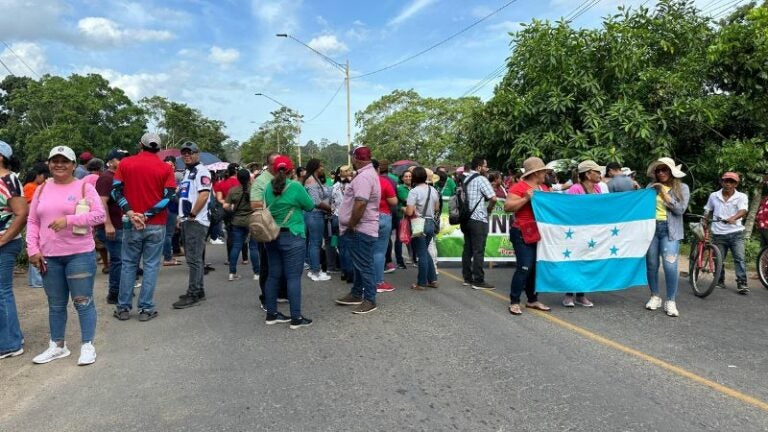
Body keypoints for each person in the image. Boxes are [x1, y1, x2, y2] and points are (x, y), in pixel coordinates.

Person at [27, 145, 106, 365]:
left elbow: (99, 215)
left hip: (79, 254)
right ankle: (57, 345)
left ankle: (87, 345)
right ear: (49, 164)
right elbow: (33, 221)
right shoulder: (42, 189)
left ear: (73, 165)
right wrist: (32, 249)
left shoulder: (84, 187)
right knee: (56, 304)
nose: (59, 165)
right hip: (49, 256)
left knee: (82, 301)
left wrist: (69, 220)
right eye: (55, 161)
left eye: (65, 161)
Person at [112, 133, 176, 321]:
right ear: (159, 148)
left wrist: (131, 212)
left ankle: (123, 307)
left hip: (131, 223)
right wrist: (146, 215)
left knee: (128, 265)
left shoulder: (125, 164)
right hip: (155, 224)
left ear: (140, 144)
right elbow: (169, 196)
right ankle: (146, 308)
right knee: (151, 266)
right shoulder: (165, 168)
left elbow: (116, 191)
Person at [263, 155, 314, 329]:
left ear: (274, 170)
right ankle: (296, 318)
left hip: (272, 236)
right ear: (292, 170)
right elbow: (310, 205)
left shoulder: (268, 188)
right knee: (293, 277)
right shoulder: (296, 187)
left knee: (273, 275)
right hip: (292, 235)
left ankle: (271, 314)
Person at [335, 146, 381, 314]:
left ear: (357, 159)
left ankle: (370, 299)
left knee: (364, 264)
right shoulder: (367, 175)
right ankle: (356, 294)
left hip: (360, 228)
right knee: (360, 264)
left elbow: (361, 203)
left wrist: (352, 224)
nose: (352, 161)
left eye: (353, 158)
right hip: (361, 227)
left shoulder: (364, 177)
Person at [504, 157, 552, 315]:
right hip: (522, 231)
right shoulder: (519, 187)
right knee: (524, 267)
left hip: (540, 233)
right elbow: (508, 207)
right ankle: (514, 301)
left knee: (535, 268)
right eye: (544, 171)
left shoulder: (544, 188)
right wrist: (526, 198)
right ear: (536, 173)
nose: (546, 173)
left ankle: (532, 300)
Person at [644, 157, 690, 317]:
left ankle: (670, 300)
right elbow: (641, 207)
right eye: (658, 170)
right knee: (651, 264)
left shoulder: (682, 188)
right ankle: (654, 296)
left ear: (671, 172)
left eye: (665, 170)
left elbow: (680, 210)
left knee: (670, 266)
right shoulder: (650, 187)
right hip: (651, 230)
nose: (661, 172)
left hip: (670, 232)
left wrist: (664, 193)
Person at [173, 142, 212, 309]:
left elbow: (203, 196)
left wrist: (192, 215)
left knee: (194, 259)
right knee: (192, 258)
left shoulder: (202, 171)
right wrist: (181, 218)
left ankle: (194, 292)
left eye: (190, 152)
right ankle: (199, 289)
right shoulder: (188, 172)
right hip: (188, 220)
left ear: (198, 153)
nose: (187, 155)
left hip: (196, 221)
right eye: (184, 153)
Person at [0, 140, 28, 359]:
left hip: (6, 243)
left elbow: (21, 213)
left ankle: (10, 343)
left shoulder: (9, 180)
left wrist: (4, 239)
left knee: (2, 292)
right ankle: (11, 336)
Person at [561, 160, 602, 308]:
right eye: (596, 172)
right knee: (574, 262)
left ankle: (581, 295)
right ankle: (568, 294)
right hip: (577, 232)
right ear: (587, 174)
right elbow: (571, 210)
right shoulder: (575, 189)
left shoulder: (598, 189)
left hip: (592, 232)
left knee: (587, 261)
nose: (599, 174)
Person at [251, 153, 288, 307]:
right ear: (269, 165)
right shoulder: (261, 181)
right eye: (276, 164)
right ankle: (266, 297)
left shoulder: (286, 178)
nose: (280, 166)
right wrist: (276, 206)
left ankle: (281, 292)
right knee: (267, 264)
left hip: (285, 228)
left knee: (283, 262)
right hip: (267, 228)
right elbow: (254, 205)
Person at [704, 172, 749, 294]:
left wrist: (733, 218)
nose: (728, 184)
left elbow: (743, 210)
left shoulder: (741, 196)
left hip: (736, 233)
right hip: (718, 233)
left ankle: (742, 283)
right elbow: (708, 209)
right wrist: (705, 219)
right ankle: (719, 280)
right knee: (718, 258)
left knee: (739, 258)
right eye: (726, 181)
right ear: (721, 182)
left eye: (732, 182)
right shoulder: (714, 195)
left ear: (736, 184)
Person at [95, 149, 128, 304]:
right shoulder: (105, 179)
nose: (124, 162)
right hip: (111, 226)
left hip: (120, 224)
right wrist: (108, 224)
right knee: (118, 260)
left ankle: (120, 290)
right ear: (112, 161)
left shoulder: (117, 177)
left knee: (121, 260)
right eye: (121, 159)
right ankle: (114, 293)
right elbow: (102, 203)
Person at [461, 156, 497, 290]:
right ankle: (479, 280)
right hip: (478, 219)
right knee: (478, 250)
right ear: (479, 167)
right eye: (486, 166)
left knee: (468, 248)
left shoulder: (465, 179)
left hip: (466, 218)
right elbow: (493, 198)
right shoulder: (481, 179)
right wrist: (489, 209)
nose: (487, 169)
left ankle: (467, 278)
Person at [405, 166, 440, 291]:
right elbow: (436, 208)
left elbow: (409, 212)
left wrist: (404, 209)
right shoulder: (433, 190)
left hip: (418, 223)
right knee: (425, 251)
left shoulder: (413, 192)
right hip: (430, 222)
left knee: (421, 254)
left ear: (414, 178)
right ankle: (432, 279)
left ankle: (421, 283)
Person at [224, 169, 260, 281]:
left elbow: (225, 206)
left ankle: (232, 272)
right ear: (249, 178)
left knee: (236, 246)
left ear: (238, 178)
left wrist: (232, 209)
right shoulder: (254, 190)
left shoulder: (233, 191)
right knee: (253, 247)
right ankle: (256, 273)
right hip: (252, 221)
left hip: (237, 221)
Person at [303, 159, 332, 282]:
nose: (322, 168)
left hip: (312, 215)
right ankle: (316, 271)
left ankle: (312, 269)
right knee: (315, 244)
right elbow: (316, 202)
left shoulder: (314, 179)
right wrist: (331, 208)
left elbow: (324, 194)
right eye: (321, 166)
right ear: (315, 167)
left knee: (312, 243)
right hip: (315, 215)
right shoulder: (311, 180)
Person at [372, 159, 398, 293]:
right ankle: (378, 282)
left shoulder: (360, 181)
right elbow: (394, 201)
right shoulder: (383, 182)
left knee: (366, 251)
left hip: (367, 219)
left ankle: (366, 281)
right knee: (379, 252)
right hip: (383, 216)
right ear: (378, 169)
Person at [22, 163, 48, 288]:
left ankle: (35, 280)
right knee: (35, 249)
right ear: (38, 175)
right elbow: (30, 207)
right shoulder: (30, 187)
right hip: (33, 222)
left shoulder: (34, 186)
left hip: (34, 221)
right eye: (44, 175)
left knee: (35, 248)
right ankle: (37, 280)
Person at [214, 163, 243, 261]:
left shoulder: (220, 183)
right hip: (240, 210)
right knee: (242, 233)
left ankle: (230, 258)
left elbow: (219, 198)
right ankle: (245, 258)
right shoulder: (241, 183)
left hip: (226, 210)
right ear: (236, 172)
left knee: (230, 234)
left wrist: (228, 203)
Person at [332, 165, 354, 283]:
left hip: (336, 217)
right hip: (348, 218)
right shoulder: (352, 186)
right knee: (349, 246)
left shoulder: (335, 186)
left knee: (341, 247)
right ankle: (350, 272)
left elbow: (332, 202)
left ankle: (344, 271)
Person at [162, 156, 181, 266]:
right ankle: (168, 258)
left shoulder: (170, 177)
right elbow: (171, 196)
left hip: (170, 208)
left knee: (167, 233)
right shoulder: (168, 178)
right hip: (169, 208)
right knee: (168, 234)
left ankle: (168, 255)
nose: (169, 167)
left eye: (171, 165)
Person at [394, 170, 412, 269]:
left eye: (410, 176)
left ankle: (412, 258)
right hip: (402, 217)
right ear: (402, 178)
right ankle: (400, 261)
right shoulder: (400, 188)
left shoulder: (414, 188)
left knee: (413, 238)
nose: (408, 178)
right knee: (400, 238)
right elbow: (407, 200)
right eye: (406, 176)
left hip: (413, 216)